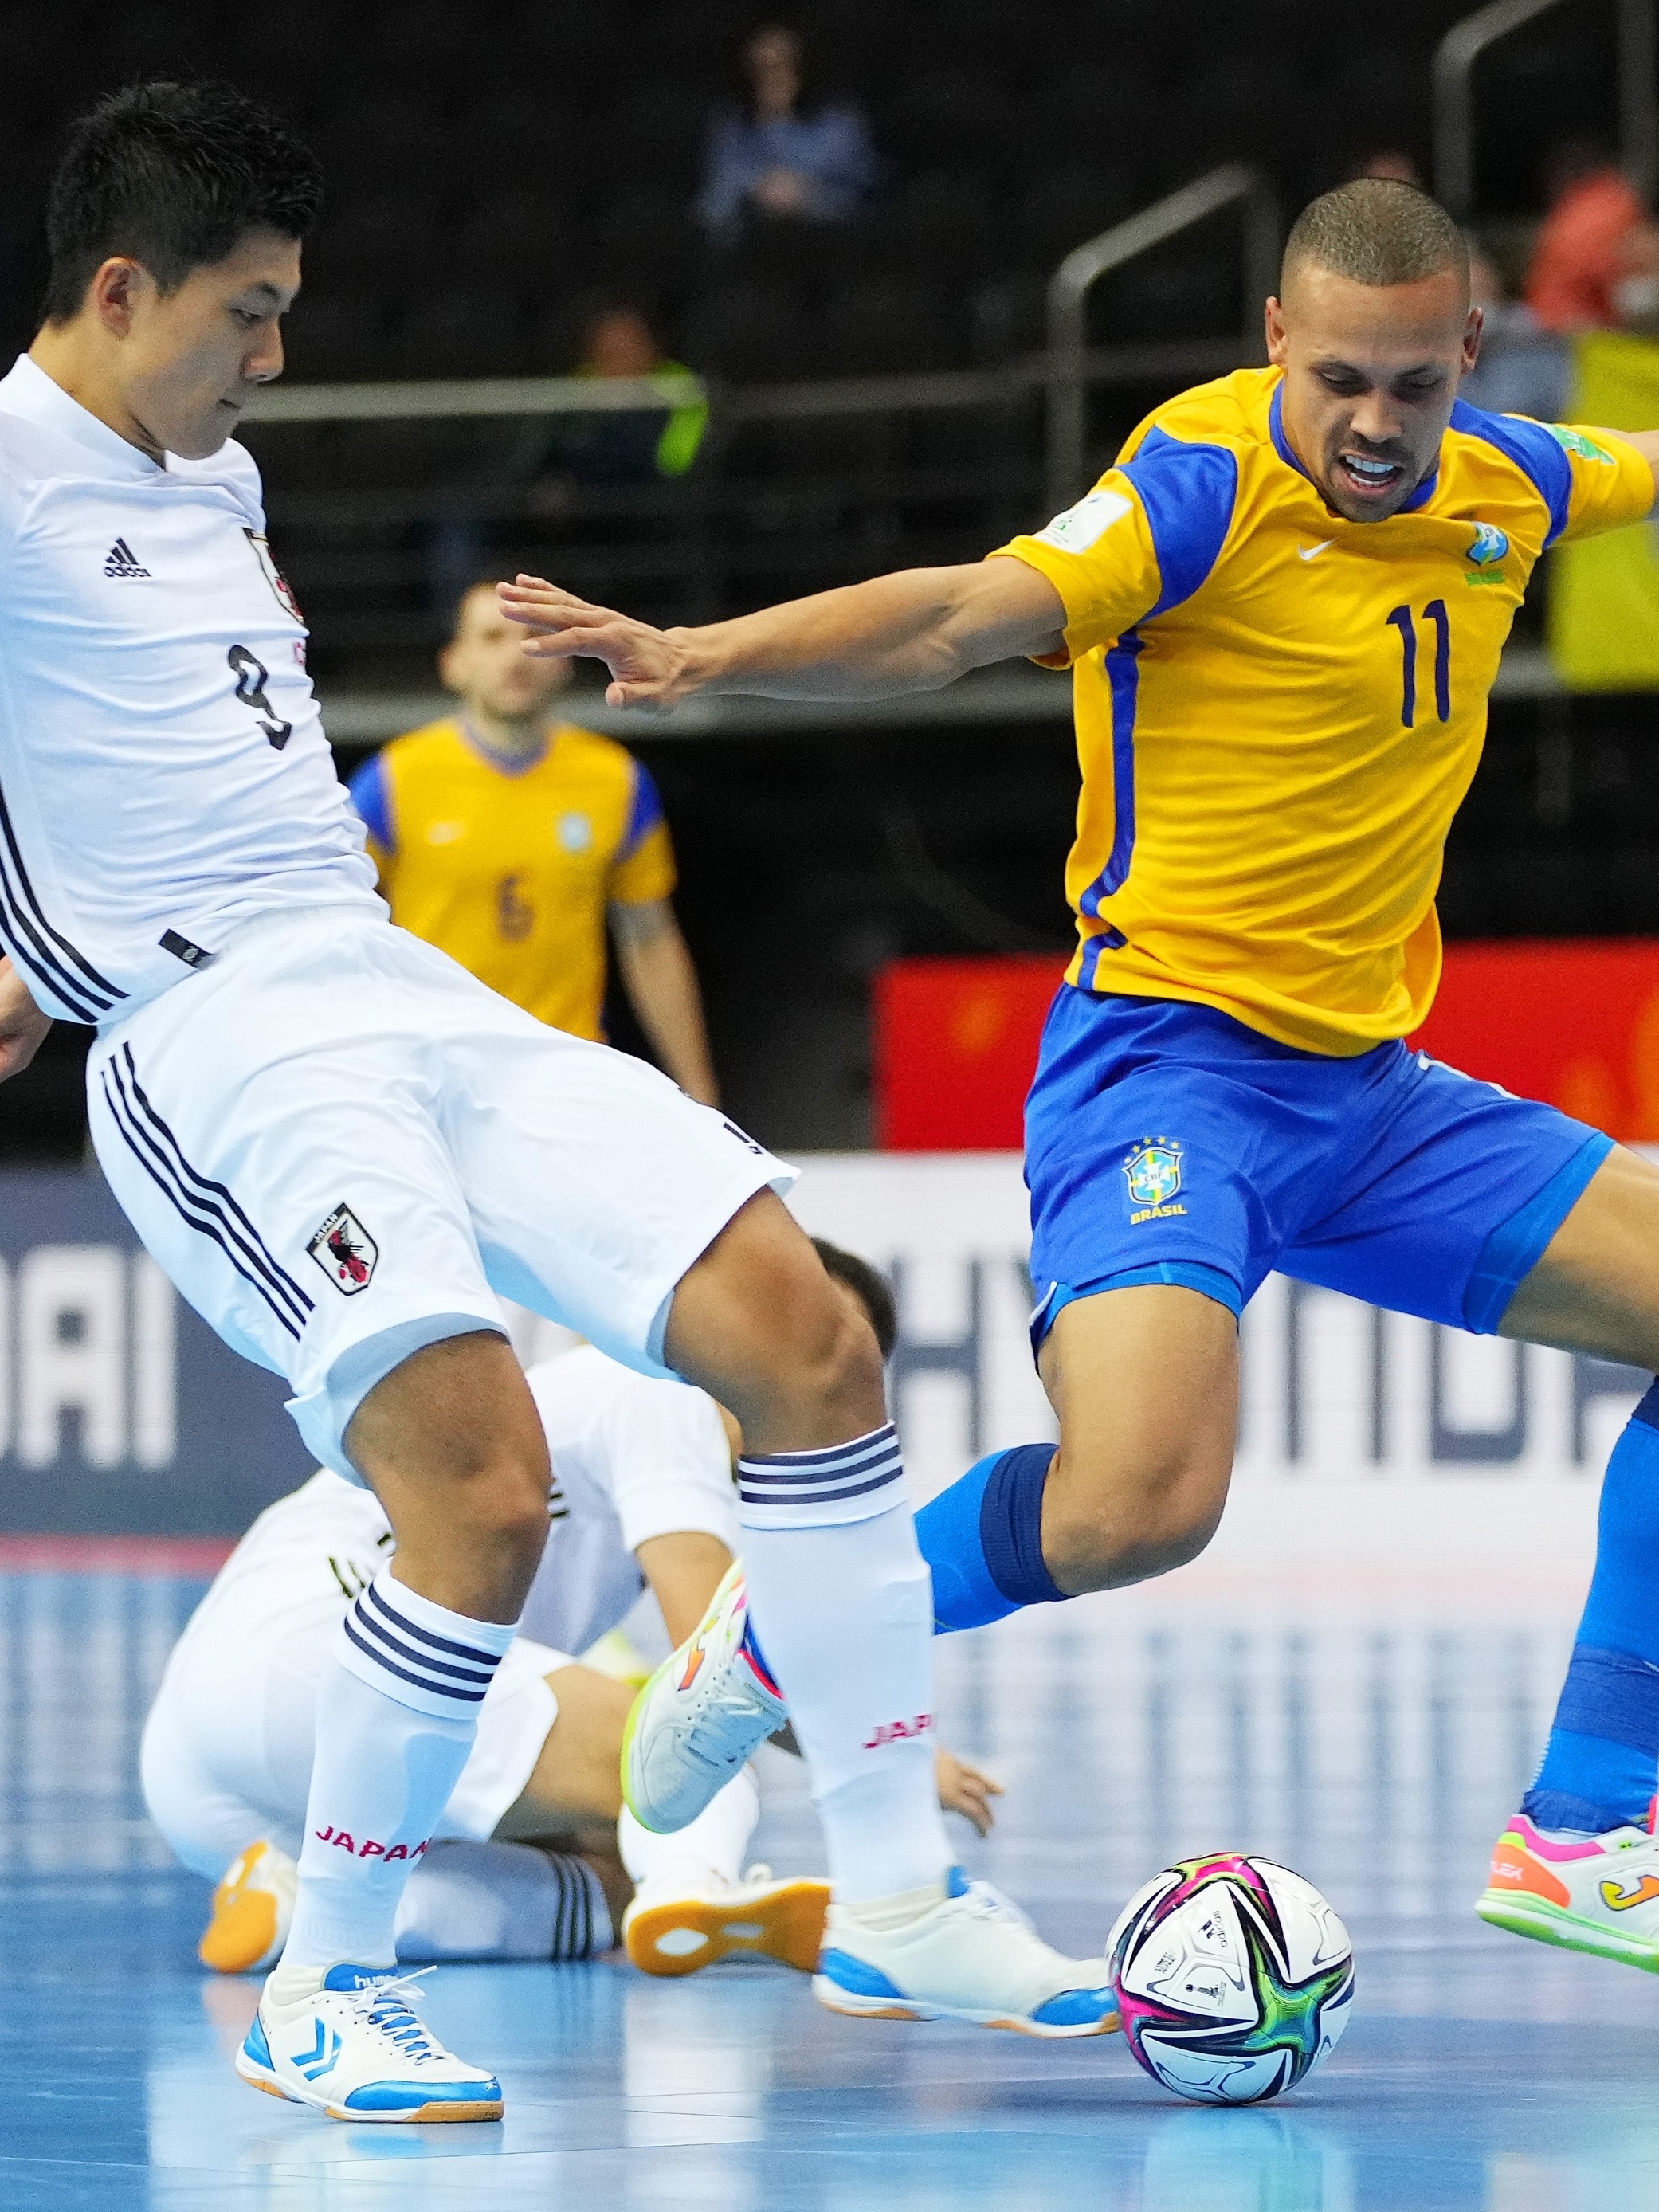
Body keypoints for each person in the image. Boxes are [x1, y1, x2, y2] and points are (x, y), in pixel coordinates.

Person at [0, 80, 1116, 2124]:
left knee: (810, 1334)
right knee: (484, 1492)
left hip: (384, 972)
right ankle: (330, 1985)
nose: (275, 356)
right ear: (119, 285)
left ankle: (893, 1890)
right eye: (247, 313)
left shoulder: (206, 477)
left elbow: (141, 779)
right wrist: (45, 971)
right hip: (217, 1049)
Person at [500, 176, 1659, 1985]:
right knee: (1135, 1505)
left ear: (1467, 356)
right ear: (1275, 340)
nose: (1373, 424)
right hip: (1168, 1072)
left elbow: (1638, 459)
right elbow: (963, 611)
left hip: (1376, 1092)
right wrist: (701, 652)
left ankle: (1587, 1822)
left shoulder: (1505, 477)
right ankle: (775, 1631)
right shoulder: (1192, 484)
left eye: (1412, 387)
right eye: (1337, 378)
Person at [143, 1252, 1000, 1983]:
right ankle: (692, 1887)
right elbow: (721, 1655)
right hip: (328, 1655)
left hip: (197, 1767)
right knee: (694, 1750)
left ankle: (293, 1907)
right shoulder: (666, 1388)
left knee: (603, 1866)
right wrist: (887, 1757)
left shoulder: (651, 1424)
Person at [350, 579, 720, 1104]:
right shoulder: (391, 780)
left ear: (566, 658)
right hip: (433, 1075)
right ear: (454, 663)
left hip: (568, 1073)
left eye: (532, 636)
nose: (515, 656)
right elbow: (337, 927)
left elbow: (651, 940)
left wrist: (700, 1094)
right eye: (492, 637)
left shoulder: (615, 780)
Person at [697, 23, 880, 241]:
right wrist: (758, 186)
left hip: (831, 240)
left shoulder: (840, 122)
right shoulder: (729, 123)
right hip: (751, 243)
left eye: (781, 66)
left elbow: (863, 188)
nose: (771, 78)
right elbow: (716, 196)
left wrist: (805, 193)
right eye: (759, 69)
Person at [553, 304, 708, 486]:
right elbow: (563, 452)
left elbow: (676, 464)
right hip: (586, 496)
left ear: (649, 350)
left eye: (625, 353)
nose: (616, 366)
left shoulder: (679, 388)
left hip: (658, 493)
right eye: (607, 355)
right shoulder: (577, 387)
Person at [1525, 140, 1659, 333]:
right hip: (1579, 331)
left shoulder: (1567, 215)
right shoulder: (1614, 204)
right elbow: (1615, 273)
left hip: (1549, 325)